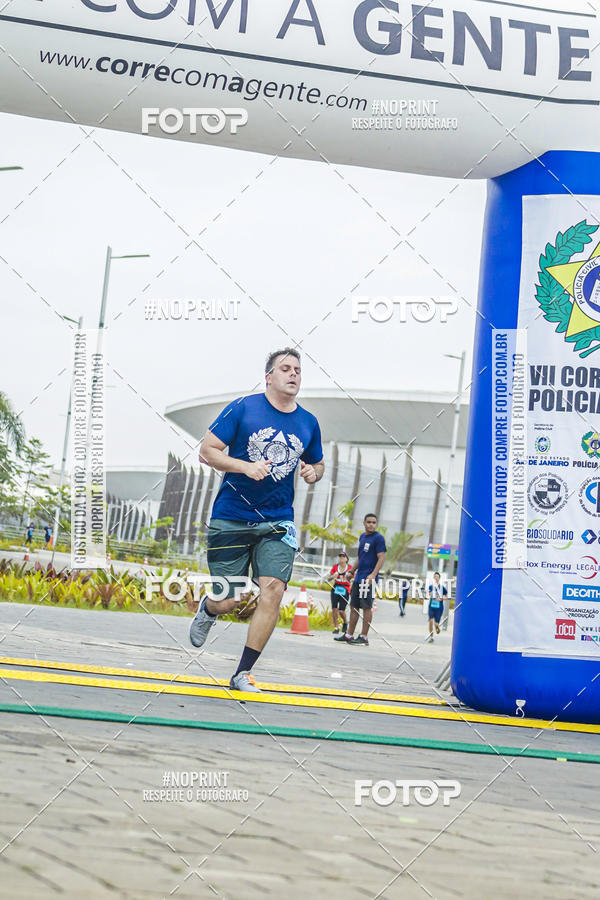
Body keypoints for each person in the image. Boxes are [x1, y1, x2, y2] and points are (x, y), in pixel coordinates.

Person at [189, 348, 324, 692]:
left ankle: (241, 674)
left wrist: (312, 471)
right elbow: (207, 450)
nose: (293, 374)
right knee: (230, 599)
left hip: (278, 522)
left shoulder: (308, 423)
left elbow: (318, 464)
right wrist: (246, 466)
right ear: (269, 377)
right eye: (285, 369)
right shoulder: (243, 409)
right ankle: (209, 608)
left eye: (297, 370)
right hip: (232, 517)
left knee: (273, 591)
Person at [335, 513, 386, 646]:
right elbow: (360, 557)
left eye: (374, 522)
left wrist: (373, 575)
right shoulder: (363, 537)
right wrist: (351, 571)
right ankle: (349, 635)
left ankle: (364, 637)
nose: (371, 524)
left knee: (366, 607)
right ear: (364, 523)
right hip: (358, 578)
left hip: (369, 580)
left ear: (376, 524)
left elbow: (381, 557)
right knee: (354, 607)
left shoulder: (379, 538)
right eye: (369, 522)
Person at [328, 551, 352, 635]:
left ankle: (345, 622)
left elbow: (353, 579)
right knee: (334, 609)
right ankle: (336, 627)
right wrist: (333, 576)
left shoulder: (350, 568)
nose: (341, 558)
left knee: (341, 610)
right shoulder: (335, 567)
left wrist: (349, 578)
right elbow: (328, 579)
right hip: (335, 588)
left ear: (346, 559)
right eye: (340, 556)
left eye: (343, 557)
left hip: (345, 589)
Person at [427, 571, 448, 641]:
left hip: (439, 608)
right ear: (433, 578)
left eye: (437, 577)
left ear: (439, 578)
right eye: (435, 577)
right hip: (431, 607)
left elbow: (447, 596)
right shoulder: (431, 586)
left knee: (436, 624)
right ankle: (431, 637)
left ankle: (437, 627)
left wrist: (441, 598)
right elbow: (428, 594)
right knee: (430, 621)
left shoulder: (442, 588)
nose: (436, 578)